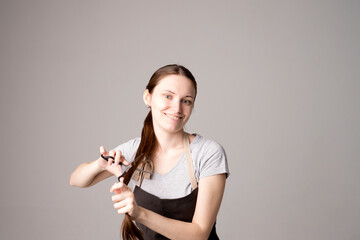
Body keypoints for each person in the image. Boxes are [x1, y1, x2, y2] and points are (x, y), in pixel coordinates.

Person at [70, 64, 229, 240]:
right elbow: (77, 180)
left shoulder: (207, 153)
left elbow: (199, 234)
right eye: (168, 96)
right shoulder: (136, 151)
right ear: (148, 97)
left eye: (186, 101)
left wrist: (139, 213)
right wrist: (98, 165)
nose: (177, 108)